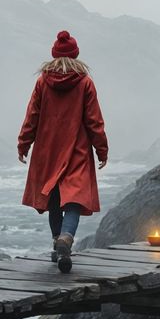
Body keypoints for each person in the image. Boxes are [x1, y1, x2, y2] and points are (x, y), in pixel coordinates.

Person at [17, 30, 109, 272]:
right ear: (75, 54)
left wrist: (23, 144)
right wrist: (102, 150)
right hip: (76, 149)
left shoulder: (42, 83)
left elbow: (32, 118)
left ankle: (57, 245)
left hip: (48, 150)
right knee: (74, 200)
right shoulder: (85, 82)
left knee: (54, 201)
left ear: (54, 55)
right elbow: (94, 121)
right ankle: (65, 239)